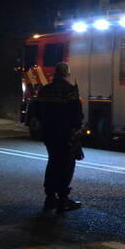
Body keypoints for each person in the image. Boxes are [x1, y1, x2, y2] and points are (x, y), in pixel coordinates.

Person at [34, 62, 85, 214]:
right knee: (66, 166)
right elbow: (77, 114)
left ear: (55, 73)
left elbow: (37, 112)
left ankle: (50, 198)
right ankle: (62, 199)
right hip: (65, 135)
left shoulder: (45, 90)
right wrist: (76, 132)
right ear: (66, 73)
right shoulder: (70, 90)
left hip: (49, 135)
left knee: (52, 162)